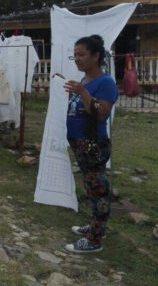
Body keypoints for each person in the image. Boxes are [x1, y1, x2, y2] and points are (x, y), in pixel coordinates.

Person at [63, 35, 117, 254]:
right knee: (90, 187)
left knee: (99, 190)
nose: (77, 59)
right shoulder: (84, 80)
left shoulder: (106, 83)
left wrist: (83, 93)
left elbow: (100, 114)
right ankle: (96, 226)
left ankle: (95, 240)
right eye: (74, 55)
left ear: (96, 56)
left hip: (93, 145)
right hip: (80, 144)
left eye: (81, 54)